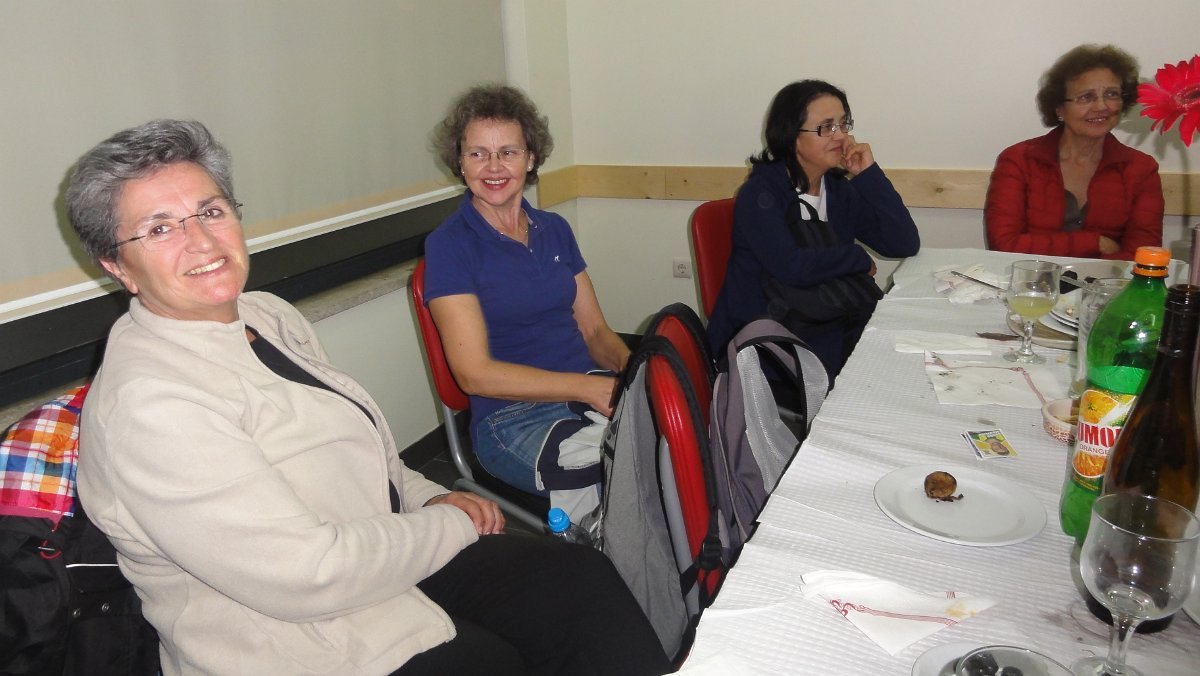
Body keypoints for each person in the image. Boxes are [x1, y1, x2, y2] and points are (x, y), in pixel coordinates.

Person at [67, 119, 668, 675]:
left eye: (210, 210)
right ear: (117, 265)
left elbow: (368, 456)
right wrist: (452, 522)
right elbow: (307, 576)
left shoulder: (266, 315)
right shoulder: (150, 405)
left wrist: (432, 497)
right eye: (160, 228)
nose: (201, 240)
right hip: (296, 633)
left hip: (382, 553)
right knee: (494, 660)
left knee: (577, 583)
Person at [424, 86, 628, 524]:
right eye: (478, 154)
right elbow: (474, 374)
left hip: (586, 388)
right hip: (510, 418)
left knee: (672, 436)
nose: (494, 167)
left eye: (508, 152)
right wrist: (585, 389)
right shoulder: (449, 246)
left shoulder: (554, 229)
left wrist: (636, 374)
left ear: (530, 158)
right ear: (460, 162)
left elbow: (595, 331)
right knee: (622, 465)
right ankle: (602, 554)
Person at [706, 80, 920, 379]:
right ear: (792, 136)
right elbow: (792, 267)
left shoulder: (838, 190)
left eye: (843, 124)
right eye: (827, 127)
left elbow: (904, 243)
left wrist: (869, 174)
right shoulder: (761, 193)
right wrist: (857, 258)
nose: (841, 136)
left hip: (825, 319)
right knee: (880, 371)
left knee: (902, 357)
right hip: (768, 339)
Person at [985, 44, 1164, 261]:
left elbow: (1144, 255)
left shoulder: (1141, 170)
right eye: (1086, 97)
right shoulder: (1018, 161)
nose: (1101, 106)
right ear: (1059, 108)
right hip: (1030, 281)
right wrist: (1094, 243)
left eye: (1111, 94)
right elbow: (1004, 245)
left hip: (1110, 282)